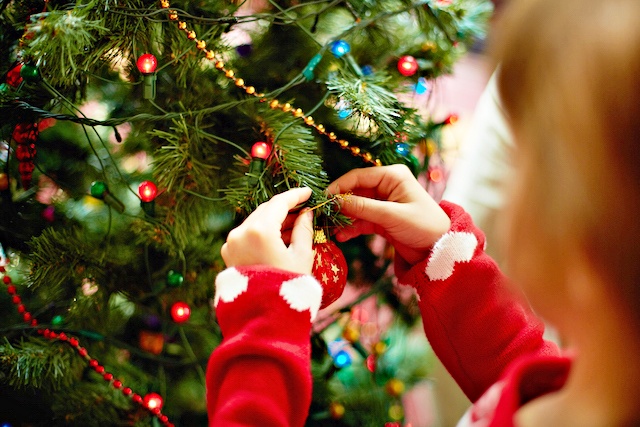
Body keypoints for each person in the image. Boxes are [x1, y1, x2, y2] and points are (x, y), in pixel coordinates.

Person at [205, 0, 640, 425]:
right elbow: (525, 378)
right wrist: (447, 257)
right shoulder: (595, 390)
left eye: (525, 161)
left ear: (587, 242)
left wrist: (264, 324)